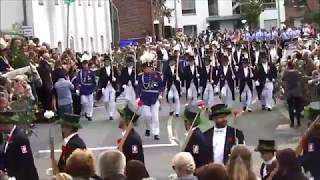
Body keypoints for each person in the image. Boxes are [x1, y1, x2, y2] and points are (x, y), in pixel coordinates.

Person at [0, 112, 39, 180]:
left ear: (8, 124)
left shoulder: (20, 138)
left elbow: (26, 160)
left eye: (1, 125)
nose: (0, 128)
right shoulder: (8, 136)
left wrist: (16, 178)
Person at [136, 50, 163, 140]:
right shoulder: (141, 76)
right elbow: (138, 87)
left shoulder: (157, 75)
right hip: (144, 99)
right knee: (147, 116)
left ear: (152, 67)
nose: (147, 69)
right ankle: (148, 128)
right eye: (145, 68)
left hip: (155, 98)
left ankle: (156, 133)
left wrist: (160, 94)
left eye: (148, 68)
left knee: (155, 117)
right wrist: (137, 98)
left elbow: (161, 86)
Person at [282, 61, 303, 127]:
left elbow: (283, 79)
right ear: (293, 66)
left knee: (290, 108)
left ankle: (292, 122)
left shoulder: (286, 72)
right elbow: (300, 79)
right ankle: (299, 122)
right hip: (297, 92)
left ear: (288, 66)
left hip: (289, 92)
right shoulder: (297, 72)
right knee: (298, 107)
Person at [75, 55, 96, 121]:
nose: (85, 65)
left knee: (90, 103)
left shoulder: (91, 72)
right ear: (82, 65)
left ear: (87, 64)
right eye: (84, 64)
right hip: (83, 90)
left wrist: (94, 88)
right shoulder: (80, 73)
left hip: (90, 89)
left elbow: (94, 81)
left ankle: (90, 115)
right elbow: (78, 81)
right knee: (84, 102)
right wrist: (77, 89)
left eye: (86, 64)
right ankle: (86, 112)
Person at [97, 55, 118, 121]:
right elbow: (100, 79)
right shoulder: (102, 69)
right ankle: (108, 112)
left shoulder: (113, 68)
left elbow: (118, 76)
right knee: (106, 100)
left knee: (112, 100)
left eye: (107, 61)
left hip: (112, 86)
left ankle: (111, 114)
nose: (106, 62)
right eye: (105, 61)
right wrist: (101, 87)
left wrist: (115, 79)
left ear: (109, 62)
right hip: (105, 86)